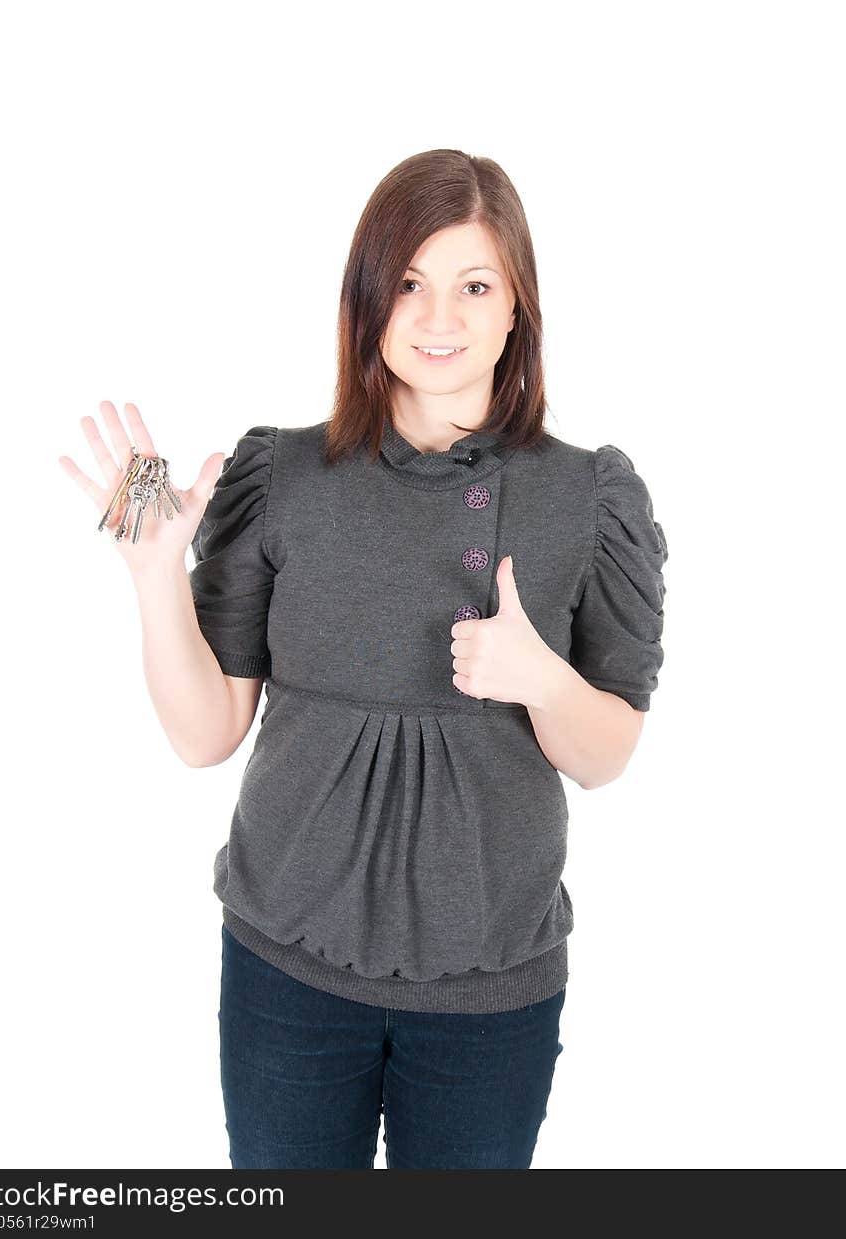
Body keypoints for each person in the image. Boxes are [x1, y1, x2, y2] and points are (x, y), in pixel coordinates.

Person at [60, 148, 668, 1170]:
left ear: (517, 305)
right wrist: (155, 570)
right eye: (410, 285)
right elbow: (207, 734)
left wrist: (542, 680)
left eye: (474, 286)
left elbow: (606, 754)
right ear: (367, 304)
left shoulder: (587, 498)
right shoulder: (282, 474)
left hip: (491, 992)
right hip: (286, 977)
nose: (440, 318)